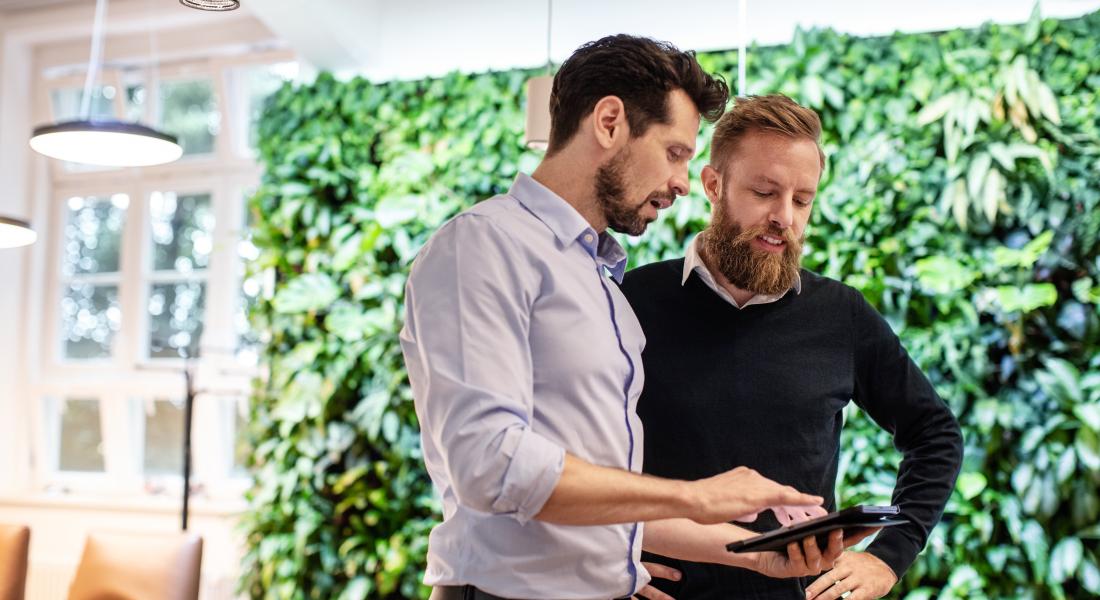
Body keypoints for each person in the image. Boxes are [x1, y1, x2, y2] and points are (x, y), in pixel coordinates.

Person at [400, 38, 867, 600]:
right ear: (609, 121)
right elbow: (489, 464)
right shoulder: (482, 245)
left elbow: (598, 503)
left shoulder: (601, 281)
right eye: (674, 153)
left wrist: (750, 556)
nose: (680, 183)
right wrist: (695, 496)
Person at [619, 94, 965, 599]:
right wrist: (607, 566)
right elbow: (575, 464)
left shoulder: (841, 314)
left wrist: (890, 556)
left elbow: (935, 434)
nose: (785, 216)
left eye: (802, 200)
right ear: (714, 186)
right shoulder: (630, 301)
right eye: (764, 192)